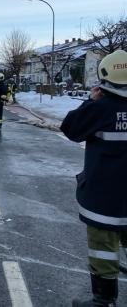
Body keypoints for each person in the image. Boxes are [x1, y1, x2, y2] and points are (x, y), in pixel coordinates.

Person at [61, 50, 127, 307]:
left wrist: (92, 100)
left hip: (105, 198)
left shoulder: (100, 108)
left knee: (103, 247)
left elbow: (71, 128)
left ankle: (104, 300)